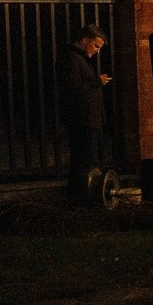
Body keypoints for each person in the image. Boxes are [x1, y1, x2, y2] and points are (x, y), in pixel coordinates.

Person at [58, 23, 111, 202]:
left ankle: (83, 197)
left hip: (89, 118)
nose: (97, 51)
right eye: (96, 46)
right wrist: (97, 81)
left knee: (88, 160)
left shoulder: (80, 58)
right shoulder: (72, 58)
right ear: (85, 39)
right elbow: (74, 88)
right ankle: (81, 198)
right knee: (83, 161)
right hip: (83, 119)